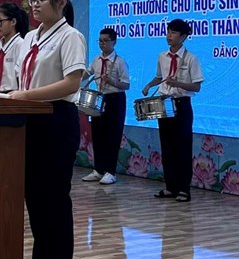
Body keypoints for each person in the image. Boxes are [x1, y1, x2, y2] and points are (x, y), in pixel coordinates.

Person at [8, 0, 87, 259]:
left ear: (61, 2)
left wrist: (27, 95)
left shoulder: (70, 37)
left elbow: (71, 83)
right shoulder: (29, 37)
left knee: (54, 198)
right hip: (30, 119)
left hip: (57, 119)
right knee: (35, 198)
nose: (35, 4)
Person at [141, 19, 203, 202]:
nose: (169, 35)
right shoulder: (162, 56)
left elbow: (196, 86)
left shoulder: (191, 58)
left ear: (183, 37)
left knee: (182, 147)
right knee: (167, 146)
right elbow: (159, 77)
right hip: (164, 104)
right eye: (168, 31)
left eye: (173, 32)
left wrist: (177, 84)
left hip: (182, 104)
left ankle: (184, 189)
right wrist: (149, 85)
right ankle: (170, 187)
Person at [82, 28, 130, 185]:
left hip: (115, 99)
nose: (102, 44)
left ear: (114, 42)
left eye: (105, 41)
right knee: (98, 134)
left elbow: (126, 85)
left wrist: (111, 81)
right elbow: (88, 73)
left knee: (112, 136)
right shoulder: (96, 60)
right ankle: (98, 170)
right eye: (100, 41)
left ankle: (111, 172)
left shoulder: (120, 62)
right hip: (100, 99)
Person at [0, 2, 28, 93]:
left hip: (11, 94)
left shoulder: (21, 45)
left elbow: (22, 77)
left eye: (0, 21)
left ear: (13, 22)